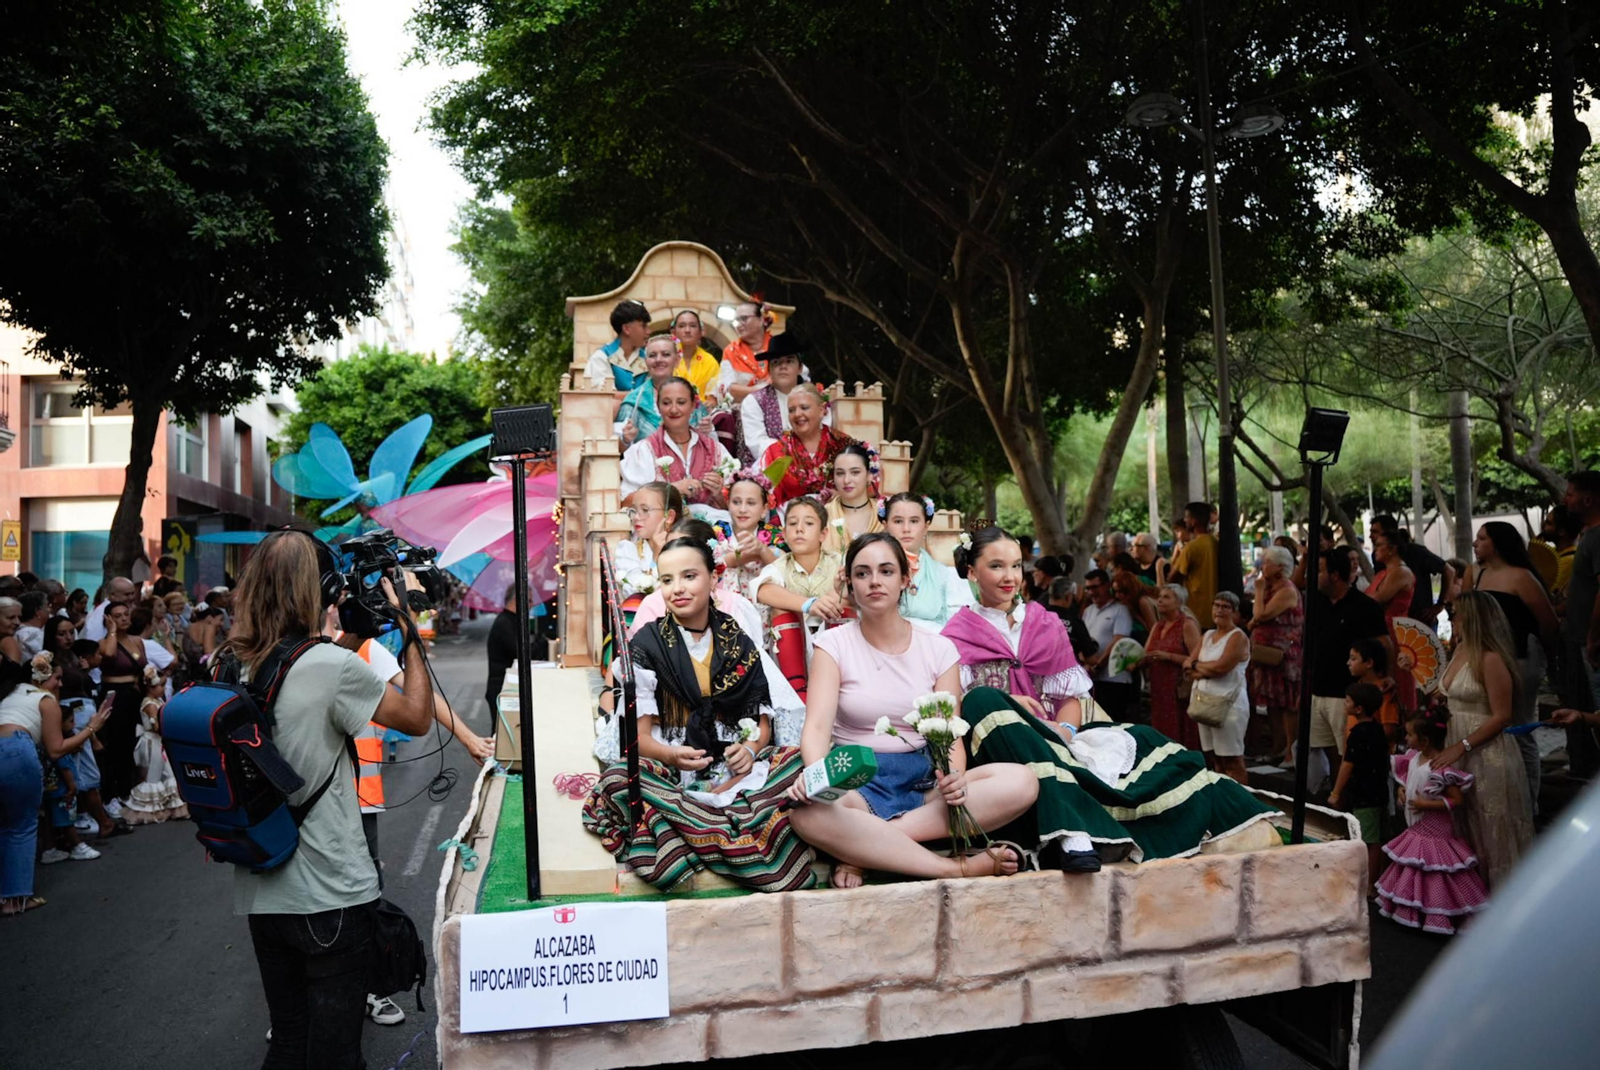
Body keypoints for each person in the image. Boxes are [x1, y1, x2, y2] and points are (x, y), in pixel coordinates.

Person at [943, 527, 1281, 867]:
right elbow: (957, 712)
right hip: (1001, 750)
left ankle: (1222, 820)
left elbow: (1069, 699)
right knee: (982, 699)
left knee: (1144, 738)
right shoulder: (955, 634)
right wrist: (1011, 704)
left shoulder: (1044, 622)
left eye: (1016, 566)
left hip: (1054, 737)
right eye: (997, 566)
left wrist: (1065, 731)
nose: (1009, 577)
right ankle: (1070, 830)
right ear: (971, 571)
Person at [227, 531, 434, 1069]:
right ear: (321, 589)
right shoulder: (330, 667)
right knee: (338, 1054)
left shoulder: (236, 662)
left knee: (291, 1043)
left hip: (263, 892)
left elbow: (295, 683)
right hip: (331, 896)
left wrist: (350, 640)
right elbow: (414, 718)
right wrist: (408, 629)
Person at [786, 534, 1033, 886]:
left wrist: (953, 779)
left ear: (905, 580)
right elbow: (816, 729)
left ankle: (865, 847)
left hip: (925, 782)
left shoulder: (938, 648)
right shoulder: (832, 644)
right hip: (857, 780)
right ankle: (954, 867)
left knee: (1020, 782)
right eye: (862, 573)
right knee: (807, 817)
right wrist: (818, 779)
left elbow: (949, 733)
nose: (874, 581)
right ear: (850, 584)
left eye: (886, 571)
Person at [583, 535, 819, 893]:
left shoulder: (736, 638)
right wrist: (671, 754)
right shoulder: (646, 644)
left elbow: (762, 723)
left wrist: (751, 750)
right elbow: (639, 740)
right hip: (671, 774)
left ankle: (693, 836)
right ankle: (733, 834)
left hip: (734, 775)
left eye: (689, 576)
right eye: (667, 580)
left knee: (795, 762)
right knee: (619, 779)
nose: (677, 588)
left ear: (713, 577)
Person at [1432, 591, 1534, 891]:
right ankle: (1468, 896)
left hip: (1485, 750)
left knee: (1491, 826)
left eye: (1456, 613)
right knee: (1463, 822)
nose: (1452, 618)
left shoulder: (1491, 658)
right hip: (1455, 743)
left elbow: (1502, 716)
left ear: (1472, 618)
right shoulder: (1458, 651)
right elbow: (1446, 696)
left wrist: (1461, 745)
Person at [0, 657, 110, 914]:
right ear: (40, 677)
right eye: (56, 678)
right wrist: (92, 728)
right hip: (15, 751)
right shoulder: (45, 700)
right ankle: (16, 899)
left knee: (6, 826)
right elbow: (56, 749)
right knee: (22, 826)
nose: (60, 683)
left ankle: (8, 895)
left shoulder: (11, 694)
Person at [1375, 708, 1490, 935]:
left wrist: (1427, 805)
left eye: (1409, 735)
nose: (1405, 739)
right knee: (1416, 867)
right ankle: (1413, 908)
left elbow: (1456, 799)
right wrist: (1402, 790)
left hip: (1435, 828)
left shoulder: (1440, 769)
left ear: (1425, 740)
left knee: (1436, 869)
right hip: (1416, 826)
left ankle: (1439, 911)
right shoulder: (1413, 758)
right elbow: (1408, 780)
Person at [1470, 520, 1559, 813]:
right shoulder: (1477, 574)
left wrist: (1543, 657)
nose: (1476, 543)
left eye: (1482, 539)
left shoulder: (1521, 577)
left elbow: (1548, 623)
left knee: (1519, 727)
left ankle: (1529, 801)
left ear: (1497, 544)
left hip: (1520, 657)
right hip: (1487, 658)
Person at [1307, 547, 1390, 785]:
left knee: (1348, 754)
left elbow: (1385, 644)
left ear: (1334, 575)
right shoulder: (1315, 602)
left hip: (1348, 694)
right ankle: (1336, 799)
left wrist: (1385, 676)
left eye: (1319, 570)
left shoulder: (1364, 606)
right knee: (1328, 752)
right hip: (1318, 691)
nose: (1312, 576)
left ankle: (1349, 804)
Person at [751, 497, 847, 699]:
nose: (799, 529)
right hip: (794, 655)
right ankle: (798, 694)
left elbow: (855, 586)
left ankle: (841, 684)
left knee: (846, 603)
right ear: (784, 534)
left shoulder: (839, 562)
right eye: (793, 523)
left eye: (809, 523)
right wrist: (809, 604)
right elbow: (762, 590)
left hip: (834, 647)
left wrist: (834, 595)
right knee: (781, 608)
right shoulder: (778, 566)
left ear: (823, 534)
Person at [618, 377, 733, 508]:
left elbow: (739, 508)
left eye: (681, 402)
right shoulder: (644, 449)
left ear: (693, 405)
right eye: (666, 403)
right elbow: (626, 502)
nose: (673, 409)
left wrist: (719, 494)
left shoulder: (715, 449)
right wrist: (670, 490)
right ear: (658, 406)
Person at [1327, 681, 1390, 892]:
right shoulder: (1378, 731)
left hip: (1364, 793)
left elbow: (1347, 764)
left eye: (1347, 701)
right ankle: (1370, 880)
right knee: (1372, 838)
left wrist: (1336, 792)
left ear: (1358, 708)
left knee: (1367, 840)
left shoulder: (1357, 734)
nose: (1345, 703)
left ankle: (1369, 884)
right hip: (1378, 790)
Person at [1557, 471, 1600, 776]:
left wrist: (1593, 635)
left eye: (1570, 493)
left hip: (1593, 642)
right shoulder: (1590, 536)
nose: (1565, 499)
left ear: (1588, 499)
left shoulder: (1597, 537)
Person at [1185, 592, 1252, 785]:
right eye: (1216, 605)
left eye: (1225, 606)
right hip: (1205, 703)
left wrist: (1198, 667)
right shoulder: (1207, 635)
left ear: (1235, 612)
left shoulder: (1238, 637)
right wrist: (1203, 668)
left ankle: (1242, 801)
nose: (1219, 610)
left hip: (1229, 706)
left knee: (1232, 760)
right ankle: (1223, 798)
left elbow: (1222, 667)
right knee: (1215, 759)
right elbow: (1188, 664)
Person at [882, 492, 972, 633]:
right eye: (898, 521)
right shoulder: (869, 571)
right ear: (885, 525)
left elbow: (959, 627)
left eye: (914, 521)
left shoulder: (944, 575)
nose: (906, 529)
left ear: (926, 525)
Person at [1247, 544, 1303, 767]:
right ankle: (1278, 746)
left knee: (1288, 704)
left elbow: (1261, 614)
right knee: (1272, 703)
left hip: (1284, 655)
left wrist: (1259, 590)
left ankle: (1291, 749)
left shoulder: (1287, 590)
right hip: (1265, 654)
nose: (1263, 566)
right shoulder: (1272, 588)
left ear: (1280, 567)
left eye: (1267, 562)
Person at [759, 383, 859, 508]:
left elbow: (863, 486)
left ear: (822, 410)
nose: (797, 414)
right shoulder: (776, 452)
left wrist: (841, 495)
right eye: (791, 410)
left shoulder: (842, 444)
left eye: (804, 407)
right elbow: (765, 496)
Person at [738, 331, 826, 464]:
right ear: (769, 370)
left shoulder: (815, 399)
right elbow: (757, 443)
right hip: (770, 469)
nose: (783, 366)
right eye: (776, 362)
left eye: (789, 361)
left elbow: (824, 433)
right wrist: (793, 453)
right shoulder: (754, 401)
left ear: (800, 368)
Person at [95, 600, 147, 811]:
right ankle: (111, 794)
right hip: (115, 696)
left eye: (126, 614)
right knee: (114, 746)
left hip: (135, 695)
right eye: (118, 616)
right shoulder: (105, 642)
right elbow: (108, 654)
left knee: (131, 744)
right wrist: (112, 631)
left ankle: (127, 789)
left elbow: (142, 666)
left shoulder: (137, 640)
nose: (124, 618)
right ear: (109, 620)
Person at [1141, 584, 1201, 751]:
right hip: (1159, 687)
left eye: (1166, 597)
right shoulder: (1158, 626)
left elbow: (1196, 658)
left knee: (1179, 727)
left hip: (1178, 687)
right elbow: (1146, 653)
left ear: (1179, 602)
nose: (1160, 600)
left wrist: (1169, 657)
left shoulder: (1186, 625)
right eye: (1160, 596)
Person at [124, 664, 186, 824]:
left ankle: (171, 805)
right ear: (150, 687)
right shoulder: (150, 704)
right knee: (154, 775)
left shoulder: (156, 701)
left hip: (159, 742)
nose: (164, 689)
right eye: (161, 685)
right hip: (153, 743)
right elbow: (157, 726)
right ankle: (149, 809)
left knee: (167, 772)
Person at [616, 334, 702, 444]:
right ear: (645, 361)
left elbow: (708, 443)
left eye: (665, 354)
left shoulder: (692, 397)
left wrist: (707, 429)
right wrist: (625, 439)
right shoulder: (634, 402)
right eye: (652, 355)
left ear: (677, 360)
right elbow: (618, 447)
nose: (658, 360)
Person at [1369, 514, 1454, 625]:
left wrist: (1440, 604)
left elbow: (1449, 570)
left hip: (1419, 621)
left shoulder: (1416, 552)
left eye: (1375, 532)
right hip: (1393, 622)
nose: (1371, 536)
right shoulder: (1378, 557)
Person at [1368, 529, 1418, 717]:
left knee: (1398, 677)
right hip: (1382, 628)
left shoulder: (1400, 572)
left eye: (1379, 545)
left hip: (1395, 631)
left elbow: (1378, 598)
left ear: (1392, 549)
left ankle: (1401, 722)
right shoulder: (1384, 572)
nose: (1376, 549)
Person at [718, 469, 781, 607]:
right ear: (728, 503)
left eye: (751, 503)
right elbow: (709, 566)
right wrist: (739, 557)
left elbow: (784, 571)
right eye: (736, 502)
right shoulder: (717, 532)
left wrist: (762, 551)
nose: (742, 509)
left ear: (765, 509)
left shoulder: (774, 536)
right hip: (725, 605)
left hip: (763, 607)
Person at [615, 482, 685, 600]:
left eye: (645, 510)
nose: (636, 517)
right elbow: (635, 593)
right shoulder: (628, 550)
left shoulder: (687, 548)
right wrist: (657, 557)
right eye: (633, 510)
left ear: (669, 516)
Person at [1079, 569, 1134, 719]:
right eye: (1088, 588)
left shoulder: (1120, 610)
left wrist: (1098, 664)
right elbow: (1082, 640)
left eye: (1095, 587)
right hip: (1092, 678)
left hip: (1114, 679)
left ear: (1107, 585)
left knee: (1113, 722)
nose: (1092, 592)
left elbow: (1119, 640)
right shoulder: (1088, 611)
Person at [823, 443, 883, 554]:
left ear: (869, 475)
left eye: (855, 472)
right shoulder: (823, 515)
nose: (846, 480)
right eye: (840, 473)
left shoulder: (884, 514)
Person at [1167, 502, 1219, 630]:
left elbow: (1173, 578)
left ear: (1193, 521)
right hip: (1214, 613)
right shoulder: (1215, 543)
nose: (1185, 520)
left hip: (1195, 613)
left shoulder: (1191, 547)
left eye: (1186, 517)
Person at [583, 299, 651, 395]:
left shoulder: (648, 357)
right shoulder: (602, 357)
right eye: (643, 326)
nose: (648, 331)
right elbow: (604, 398)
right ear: (626, 329)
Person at [1347, 638, 1402, 748]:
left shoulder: (1384, 690)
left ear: (1369, 663)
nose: (1348, 663)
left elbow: (1389, 730)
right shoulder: (1357, 687)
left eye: (1353, 659)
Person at [717, 298, 774, 404]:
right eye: (736, 320)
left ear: (761, 319)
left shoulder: (778, 345)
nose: (738, 325)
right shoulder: (731, 351)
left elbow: (795, 379)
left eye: (744, 318)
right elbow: (728, 389)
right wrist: (762, 391)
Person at [485, 584, 528, 713]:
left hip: (506, 684)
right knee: (502, 730)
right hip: (501, 686)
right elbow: (517, 651)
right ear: (518, 600)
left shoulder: (511, 620)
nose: (531, 605)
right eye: (529, 600)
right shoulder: (504, 623)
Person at [670, 309, 722, 405]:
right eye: (682, 326)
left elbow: (713, 397)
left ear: (701, 332)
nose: (687, 330)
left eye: (693, 326)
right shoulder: (667, 358)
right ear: (673, 332)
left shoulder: (709, 361)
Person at [81, 575, 138, 643]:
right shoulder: (99, 615)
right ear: (112, 595)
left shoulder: (129, 608)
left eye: (133, 593)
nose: (131, 598)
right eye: (127, 594)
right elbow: (94, 643)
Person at [1111, 570, 1155, 643]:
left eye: (1120, 592)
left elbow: (1153, 629)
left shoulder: (1143, 601)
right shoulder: (1127, 604)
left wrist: (1137, 616)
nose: (1117, 596)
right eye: (1115, 592)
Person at [15, 592, 49, 660]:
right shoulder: (33, 633)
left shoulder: (19, 630)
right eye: (47, 606)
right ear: (37, 611)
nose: (49, 610)